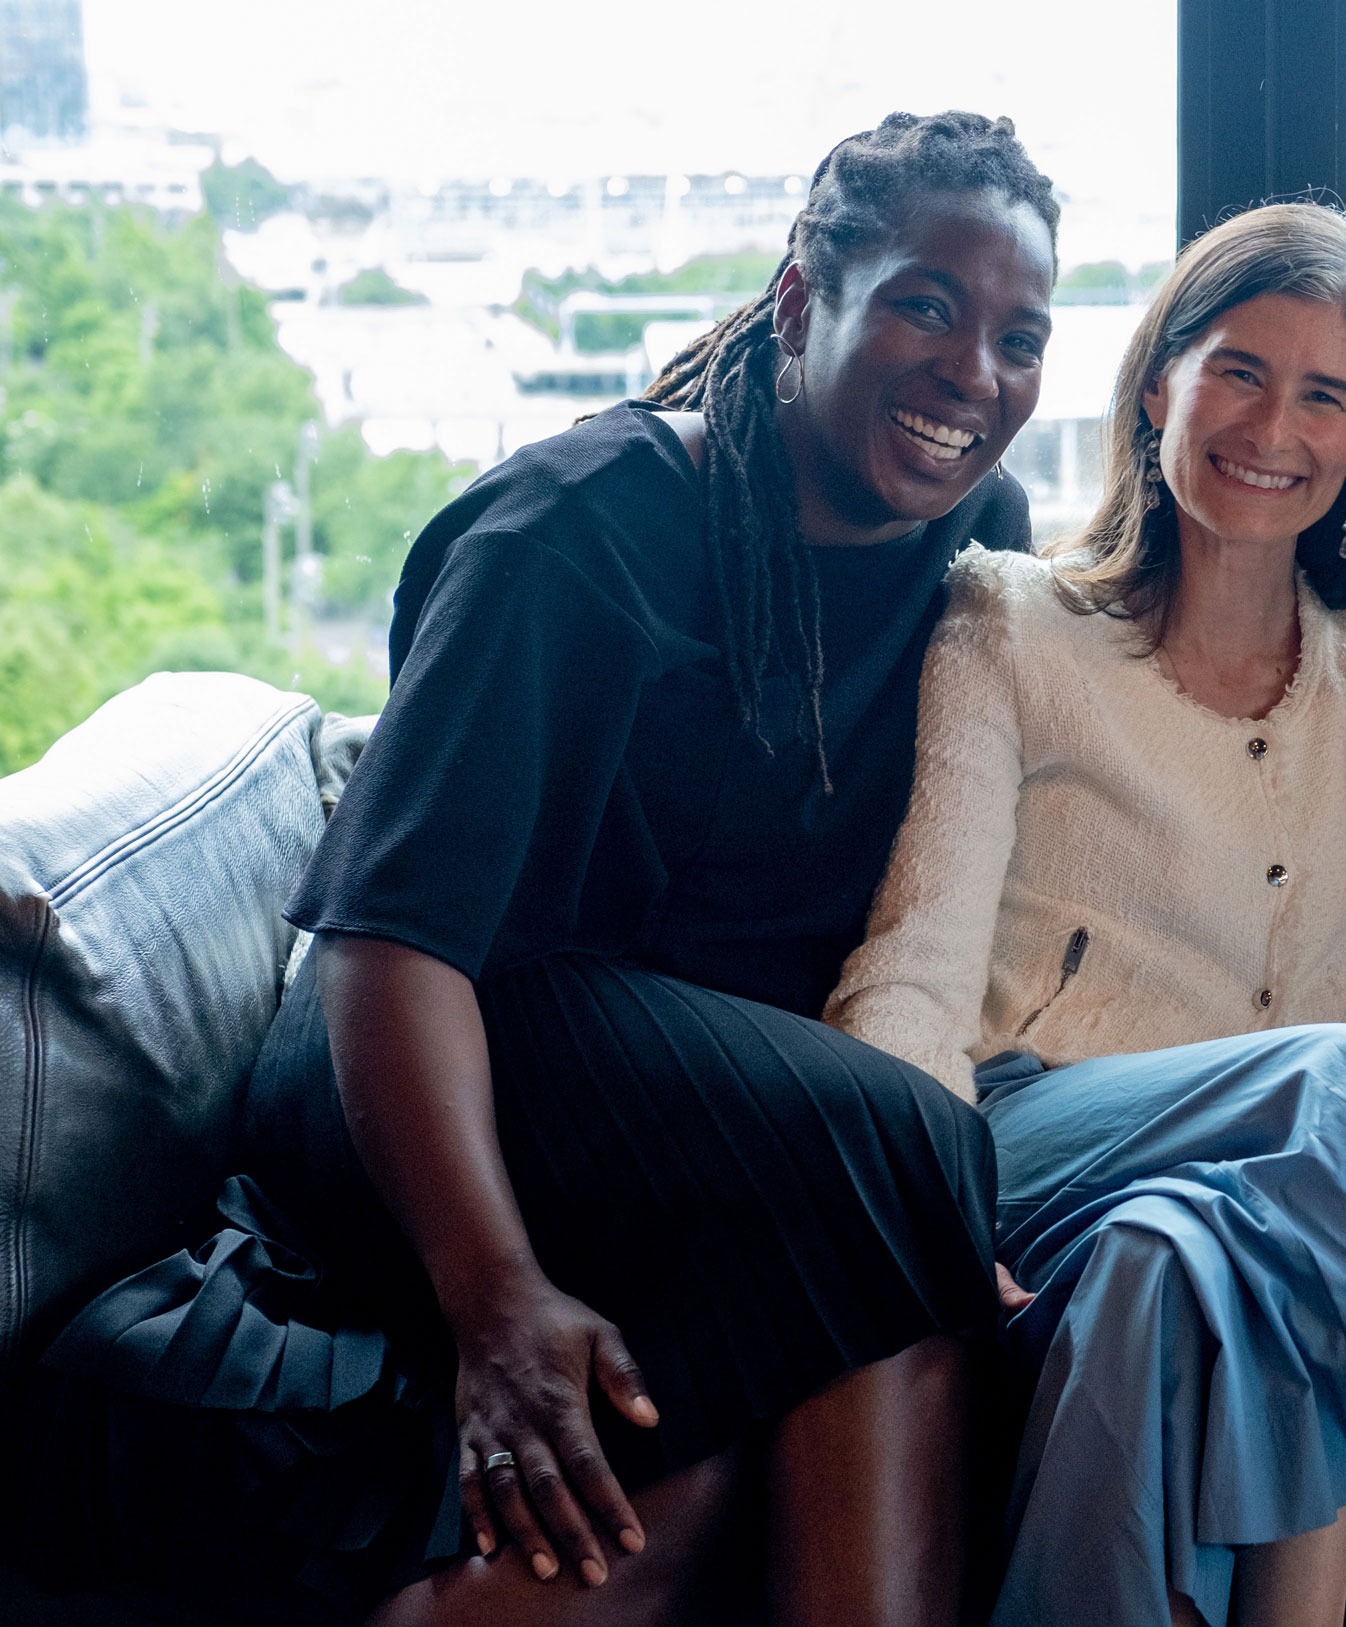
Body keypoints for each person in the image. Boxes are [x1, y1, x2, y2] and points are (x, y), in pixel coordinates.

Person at [37, 112, 1060, 1627]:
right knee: (906, 1162)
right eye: (925, 303)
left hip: (704, 1131)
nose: (973, 372)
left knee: (734, 1434)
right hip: (436, 1062)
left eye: (1019, 334)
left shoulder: (977, 538)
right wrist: (494, 1298)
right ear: (800, 303)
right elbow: (389, 946)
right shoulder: (570, 535)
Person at [825, 201, 1346, 1627]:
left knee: (1160, 1269)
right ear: (1158, 379)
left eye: (1326, 395)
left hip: (1239, 1215)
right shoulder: (1014, 625)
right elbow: (912, 973)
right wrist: (921, 1221)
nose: (1271, 424)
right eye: (1238, 368)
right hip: (1019, 1137)